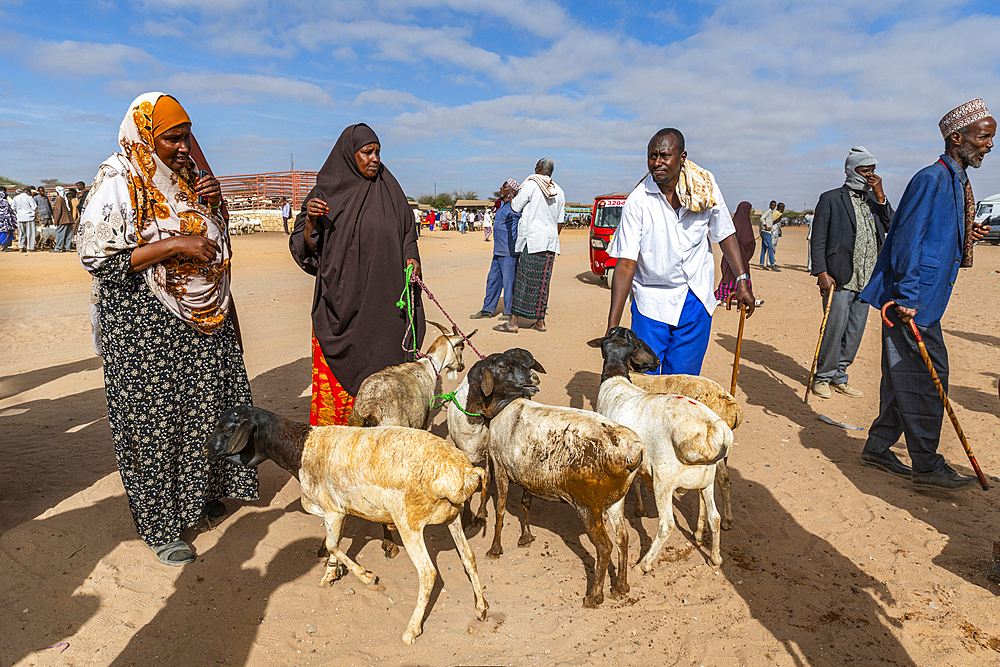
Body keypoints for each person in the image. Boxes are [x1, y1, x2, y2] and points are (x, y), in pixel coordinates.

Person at [76, 92, 258, 565]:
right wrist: (174, 243)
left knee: (202, 410)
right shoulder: (118, 178)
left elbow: (214, 237)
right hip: (143, 325)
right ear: (144, 135)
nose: (183, 147)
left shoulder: (188, 178)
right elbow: (97, 256)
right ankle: (160, 524)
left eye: (187, 136)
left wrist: (214, 205)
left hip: (201, 316)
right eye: (172, 138)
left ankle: (195, 498)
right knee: (153, 423)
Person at [859, 98, 995, 490]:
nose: (989, 145)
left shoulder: (957, 179)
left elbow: (932, 234)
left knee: (903, 373)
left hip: (922, 299)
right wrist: (905, 296)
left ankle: (878, 447)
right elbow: (906, 239)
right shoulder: (931, 178)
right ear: (957, 137)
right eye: (984, 137)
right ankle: (927, 465)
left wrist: (966, 235)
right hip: (910, 302)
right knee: (927, 378)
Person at [289, 123, 424, 426]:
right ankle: (335, 448)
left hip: (385, 301)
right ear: (350, 155)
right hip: (341, 302)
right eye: (367, 152)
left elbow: (407, 233)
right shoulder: (326, 191)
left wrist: (412, 257)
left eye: (377, 152)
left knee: (386, 373)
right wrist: (311, 221)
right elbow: (304, 247)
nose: (374, 158)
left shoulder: (390, 188)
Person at [606, 128, 755, 375]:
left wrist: (742, 280)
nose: (657, 163)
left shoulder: (705, 188)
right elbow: (626, 264)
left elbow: (725, 234)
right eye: (652, 156)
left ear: (682, 156)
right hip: (651, 303)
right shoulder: (639, 200)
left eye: (664, 156)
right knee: (646, 385)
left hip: (695, 299)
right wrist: (612, 328)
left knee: (682, 384)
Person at [809, 146, 893, 399]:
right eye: (865, 170)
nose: (870, 175)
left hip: (867, 279)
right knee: (834, 329)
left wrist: (880, 196)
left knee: (855, 332)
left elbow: (893, 225)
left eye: (873, 171)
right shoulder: (831, 198)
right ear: (852, 170)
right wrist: (821, 271)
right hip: (839, 277)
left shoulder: (873, 200)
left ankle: (839, 376)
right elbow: (818, 239)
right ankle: (822, 377)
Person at [494, 158, 565, 333]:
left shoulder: (530, 184)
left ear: (538, 169)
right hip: (550, 243)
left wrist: (512, 198)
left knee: (523, 281)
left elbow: (516, 207)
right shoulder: (559, 190)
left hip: (532, 241)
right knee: (543, 283)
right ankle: (540, 322)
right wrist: (552, 237)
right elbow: (560, 221)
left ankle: (513, 322)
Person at [471, 179, 521, 320]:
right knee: (492, 280)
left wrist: (513, 200)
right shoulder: (501, 205)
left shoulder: (515, 206)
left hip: (509, 252)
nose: (501, 188)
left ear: (511, 190)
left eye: (504, 187)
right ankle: (487, 309)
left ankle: (509, 312)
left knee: (509, 282)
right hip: (498, 251)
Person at [714, 201, 760, 307]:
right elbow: (747, 241)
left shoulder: (733, 223)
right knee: (739, 275)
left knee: (734, 276)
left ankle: (745, 296)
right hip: (740, 257)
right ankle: (721, 297)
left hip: (729, 257)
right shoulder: (745, 224)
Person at [11, 186, 36, 252]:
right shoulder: (29, 198)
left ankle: (21, 247)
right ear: (28, 192)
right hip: (29, 217)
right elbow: (34, 207)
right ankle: (30, 248)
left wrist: (18, 212)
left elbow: (13, 208)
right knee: (30, 233)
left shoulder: (16, 198)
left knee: (21, 233)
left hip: (20, 217)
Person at [51, 185, 75, 252]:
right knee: (68, 235)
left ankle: (58, 247)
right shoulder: (67, 199)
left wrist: (56, 220)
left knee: (59, 233)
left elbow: (58, 210)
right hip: (69, 219)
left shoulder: (59, 199)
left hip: (62, 220)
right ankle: (67, 247)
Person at [758, 200, 780, 271]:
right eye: (772, 205)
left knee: (764, 249)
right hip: (766, 232)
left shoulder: (771, 212)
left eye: (774, 205)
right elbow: (762, 218)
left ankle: (761, 265)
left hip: (765, 232)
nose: (773, 206)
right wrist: (765, 226)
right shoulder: (769, 211)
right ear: (770, 205)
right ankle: (772, 265)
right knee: (770, 248)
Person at [0, 186, 15, 251]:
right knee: (5, 232)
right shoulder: (5, 201)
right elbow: (10, 210)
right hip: (4, 220)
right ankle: (3, 246)